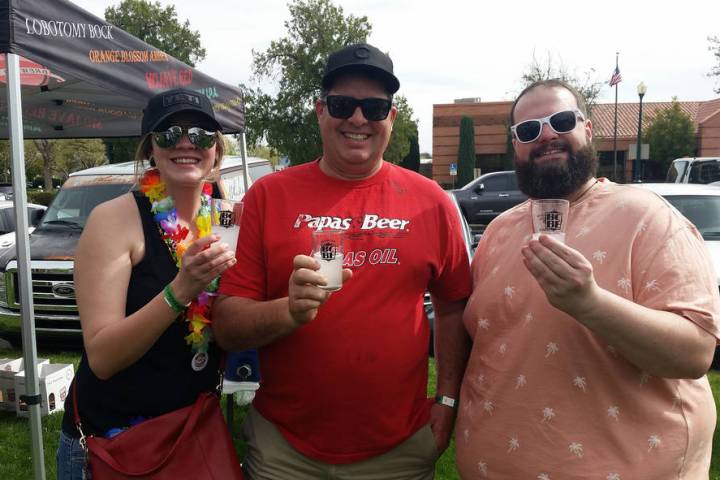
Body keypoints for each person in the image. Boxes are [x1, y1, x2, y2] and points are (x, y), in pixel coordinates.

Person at [212, 43, 472, 479]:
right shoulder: (269, 196)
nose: (358, 118)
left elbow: (452, 306)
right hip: (285, 449)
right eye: (342, 104)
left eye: (374, 107)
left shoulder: (432, 202)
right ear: (320, 110)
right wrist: (288, 311)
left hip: (399, 450)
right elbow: (226, 323)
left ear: (390, 117)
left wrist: (446, 400)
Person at [455, 79, 719, 478]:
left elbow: (695, 352)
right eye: (529, 130)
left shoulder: (648, 218)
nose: (546, 136)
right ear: (517, 146)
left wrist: (590, 303)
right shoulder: (498, 231)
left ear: (588, 129)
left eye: (561, 121)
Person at [57, 88, 237, 479]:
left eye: (202, 134)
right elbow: (102, 358)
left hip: (192, 432)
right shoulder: (114, 220)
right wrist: (179, 290)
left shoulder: (224, 220)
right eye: (169, 133)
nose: (187, 142)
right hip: (116, 443)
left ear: (217, 151)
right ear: (150, 149)